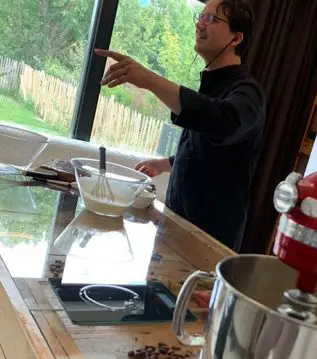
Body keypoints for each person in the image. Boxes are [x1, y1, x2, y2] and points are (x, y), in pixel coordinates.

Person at [96, 0, 265, 251]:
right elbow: (207, 151)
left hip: (210, 239)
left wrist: (150, 80)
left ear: (236, 38)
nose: (199, 24)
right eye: (201, 16)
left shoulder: (248, 92)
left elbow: (222, 123)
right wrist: (165, 163)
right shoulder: (212, 85)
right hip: (175, 225)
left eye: (211, 19)